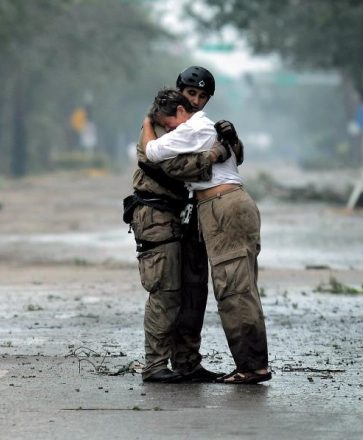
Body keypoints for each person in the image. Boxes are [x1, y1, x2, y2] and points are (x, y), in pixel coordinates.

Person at [142, 85, 271, 384]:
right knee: (232, 287)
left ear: (178, 113)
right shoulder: (207, 128)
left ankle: (252, 367)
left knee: (234, 290)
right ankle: (243, 364)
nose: (168, 131)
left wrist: (148, 124)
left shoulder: (192, 126)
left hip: (223, 206)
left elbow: (152, 152)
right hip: (218, 208)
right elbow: (233, 156)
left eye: (168, 124)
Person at [124, 67, 243, 383]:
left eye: (203, 97)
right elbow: (168, 166)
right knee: (166, 290)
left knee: (194, 291)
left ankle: (187, 362)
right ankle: (155, 365)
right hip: (157, 215)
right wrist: (212, 155)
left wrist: (231, 141)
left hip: (189, 216)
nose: (196, 101)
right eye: (191, 94)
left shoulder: (197, 127)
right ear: (179, 93)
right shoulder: (159, 123)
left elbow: (234, 159)